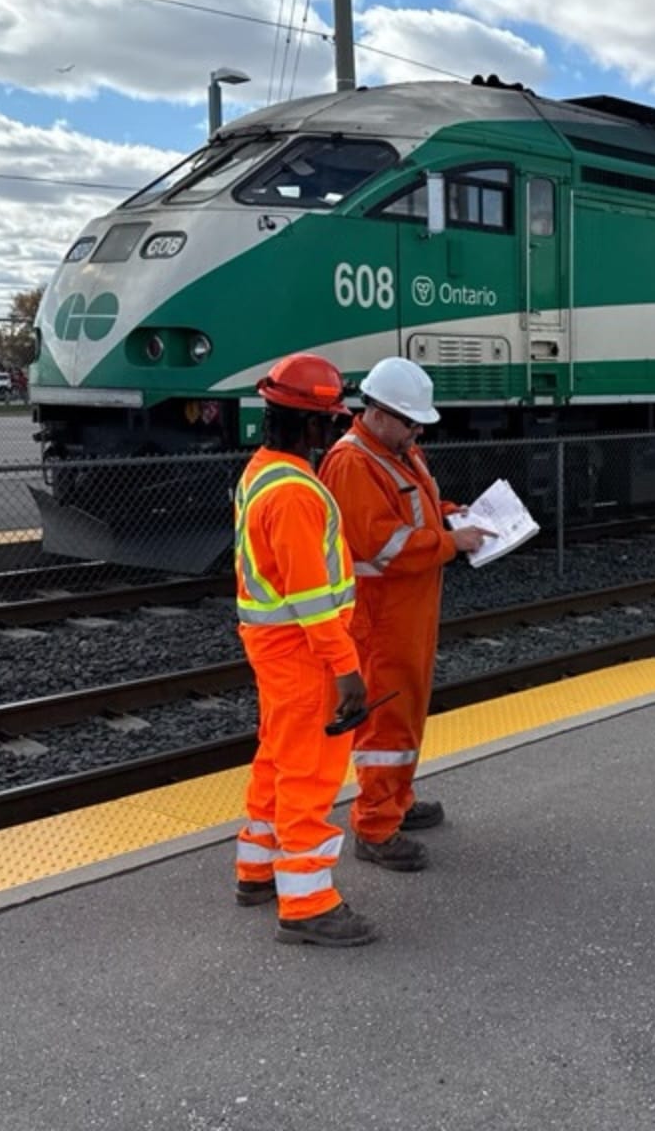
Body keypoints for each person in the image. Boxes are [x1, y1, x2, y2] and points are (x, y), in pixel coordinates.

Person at [320, 355, 488, 874]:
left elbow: (411, 512)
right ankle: (375, 827)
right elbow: (383, 545)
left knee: (407, 709)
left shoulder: (394, 453)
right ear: (379, 412)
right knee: (387, 720)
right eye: (411, 421)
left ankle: (397, 801)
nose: (418, 431)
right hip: (382, 615)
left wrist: (451, 513)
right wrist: (450, 541)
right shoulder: (353, 462)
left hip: (407, 609)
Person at [230, 352, 375, 947]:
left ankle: (257, 868)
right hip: (302, 652)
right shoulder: (294, 494)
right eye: (333, 421)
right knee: (310, 774)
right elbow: (312, 599)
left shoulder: (259, 472)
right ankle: (308, 901)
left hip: (274, 646)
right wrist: (347, 671)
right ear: (315, 425)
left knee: (276, 757)